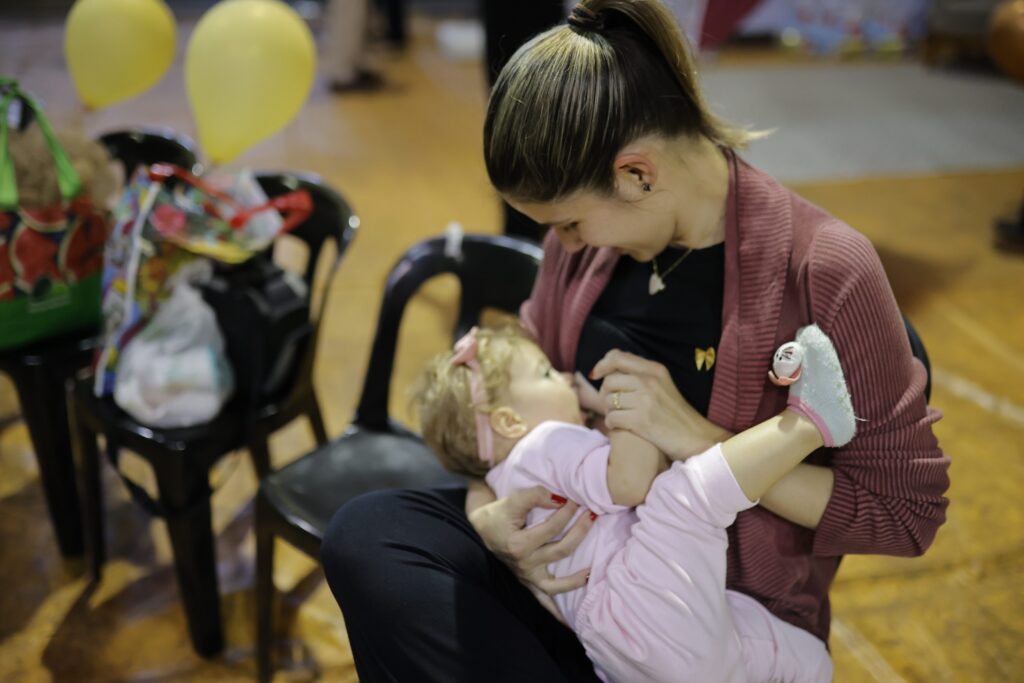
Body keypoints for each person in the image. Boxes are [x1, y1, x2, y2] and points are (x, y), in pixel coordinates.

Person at [321, 1, 950, 680]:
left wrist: (700, 440)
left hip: (705, 628)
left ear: (637, 174)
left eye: (567, 223)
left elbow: (905, 514)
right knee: (366, 534)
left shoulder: (824, 267)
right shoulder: (585, 251)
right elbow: (511, 403)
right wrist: (489, 515)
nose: (559, 246)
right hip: (579, 589)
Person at [411, 323, 852, 682]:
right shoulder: (544, 443)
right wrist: (621, 406)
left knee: (738, 643)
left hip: (615, 651)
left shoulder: (504, 481)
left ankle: (808, 667)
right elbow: (631, 482)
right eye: (546, 375)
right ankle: (810, 425)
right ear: (509, 422)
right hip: (637, 605)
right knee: (684, 497)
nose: (566, 378)